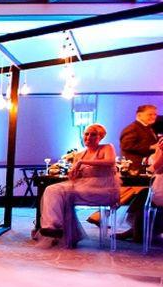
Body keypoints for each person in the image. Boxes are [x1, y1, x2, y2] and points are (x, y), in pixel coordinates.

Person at [35, 124, 121, 249]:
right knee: (51, 189)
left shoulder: (107, 148)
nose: (88, 137)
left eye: (93, 134)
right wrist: (74, 172)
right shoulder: (79, 154)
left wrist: (82, 162)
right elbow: (75, 179)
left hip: (103, 188)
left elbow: (110, 162)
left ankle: (57, 228)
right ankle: (53, 227)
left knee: (65, 193)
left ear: (100, 137)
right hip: (83, 186)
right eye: (86, 134)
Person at [118, 105, 159, 240]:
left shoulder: (148, 129)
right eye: (150, 114)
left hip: (150, 168)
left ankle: (139, 229)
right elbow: (126, 145)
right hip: (137, 169)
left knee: (146, 195)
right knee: (144, 194)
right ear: (139, 115)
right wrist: (151, 147)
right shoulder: (132, 128)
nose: (153, 117)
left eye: (154, 114)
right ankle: (139, 229)